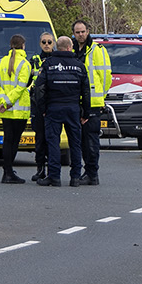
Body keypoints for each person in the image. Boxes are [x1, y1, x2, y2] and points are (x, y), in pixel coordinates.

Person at [29, 34, 89, 188]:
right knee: (75, 143)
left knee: (53, 142)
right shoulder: (79, 65)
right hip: (73, 108)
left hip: (53, 108)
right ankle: (75, 177)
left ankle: (54, 177)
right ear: (70, 48)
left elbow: (39, 89)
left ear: (57, 47)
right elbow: (86, 91)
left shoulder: (48, 64)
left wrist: (42, 108)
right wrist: (86, 112)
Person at [70, 19, 110, 187]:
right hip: (75, 101)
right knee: (77, 140)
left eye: (83, 31)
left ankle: (92, 173)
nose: (80, 35)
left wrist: (101, 96)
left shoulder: (97, 50)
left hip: (93, 102)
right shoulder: (70, 49)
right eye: (77, 32)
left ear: (88, 31)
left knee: (91, 140)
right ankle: (83, 172)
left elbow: (106, 77)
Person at [0, 33, 33, 186]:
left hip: (5, 109)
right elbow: (21, 87)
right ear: (23, 46)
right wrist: (8, 101)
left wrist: (4, 101)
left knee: (8, 140)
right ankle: (8, 172)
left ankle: (7, 171)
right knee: (14, 141)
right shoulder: (25, 64)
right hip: (19, 109)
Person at [31, 29, 57, 184]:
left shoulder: (57, 59)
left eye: (49, 42)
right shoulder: (34, 60)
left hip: (53, 102)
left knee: (52, 138)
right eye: (44, 42)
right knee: (39, 138)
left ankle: (52, 170)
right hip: (37, 104)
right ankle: (40, 169)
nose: (47, 45)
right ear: (40, 44)